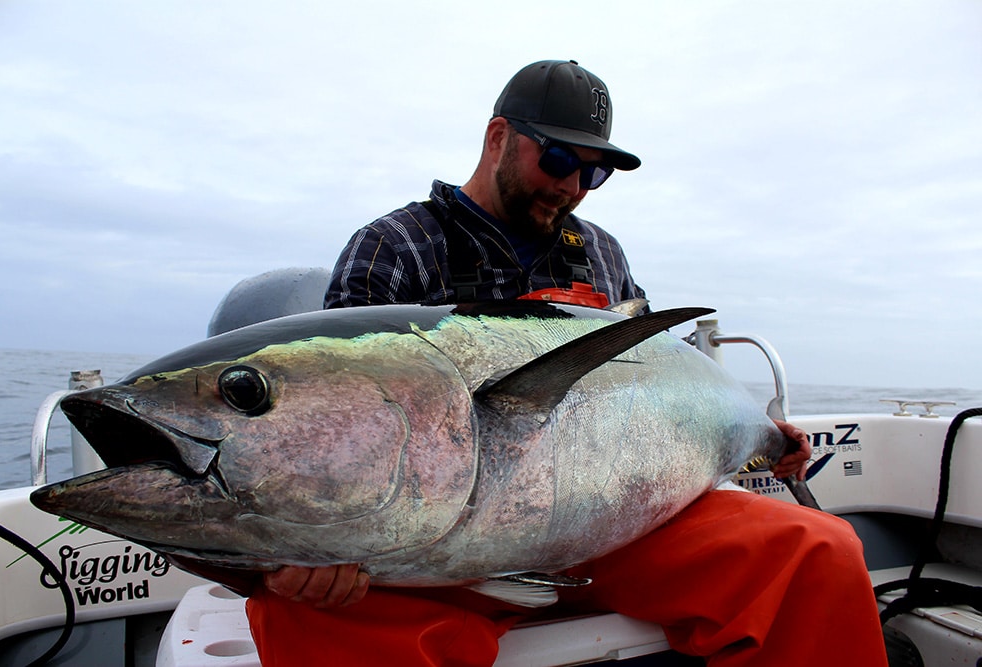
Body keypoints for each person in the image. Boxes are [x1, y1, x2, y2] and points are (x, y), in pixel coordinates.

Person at [246, 60, 888, 666]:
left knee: (819, 552)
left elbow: (666, 388)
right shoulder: (396, 247)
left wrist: (763, 441)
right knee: (297, 613)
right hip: (442, 548)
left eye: (595, 173)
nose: (573, 186)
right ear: (498, 136)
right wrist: (308, 547)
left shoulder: (602, 254)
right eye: (557, 159)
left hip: (618, 529)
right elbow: (337, 422)